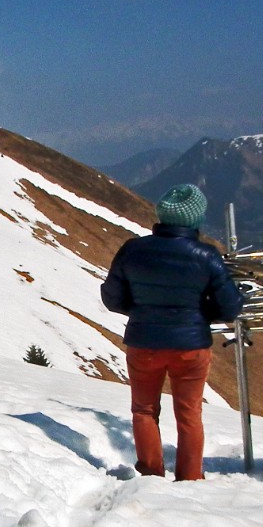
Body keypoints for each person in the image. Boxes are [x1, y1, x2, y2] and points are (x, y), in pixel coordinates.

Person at [101, 183, 244, 481]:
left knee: (144, 410)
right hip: (190, 345)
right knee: (189, 413)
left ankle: (151, 473)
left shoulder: (133, 249)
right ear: (196, 219)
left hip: (144, 342)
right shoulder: (206, 255)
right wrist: (199, 314)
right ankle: (190, 477)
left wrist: (142, 310)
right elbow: (231, 309)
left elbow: (112, 299)